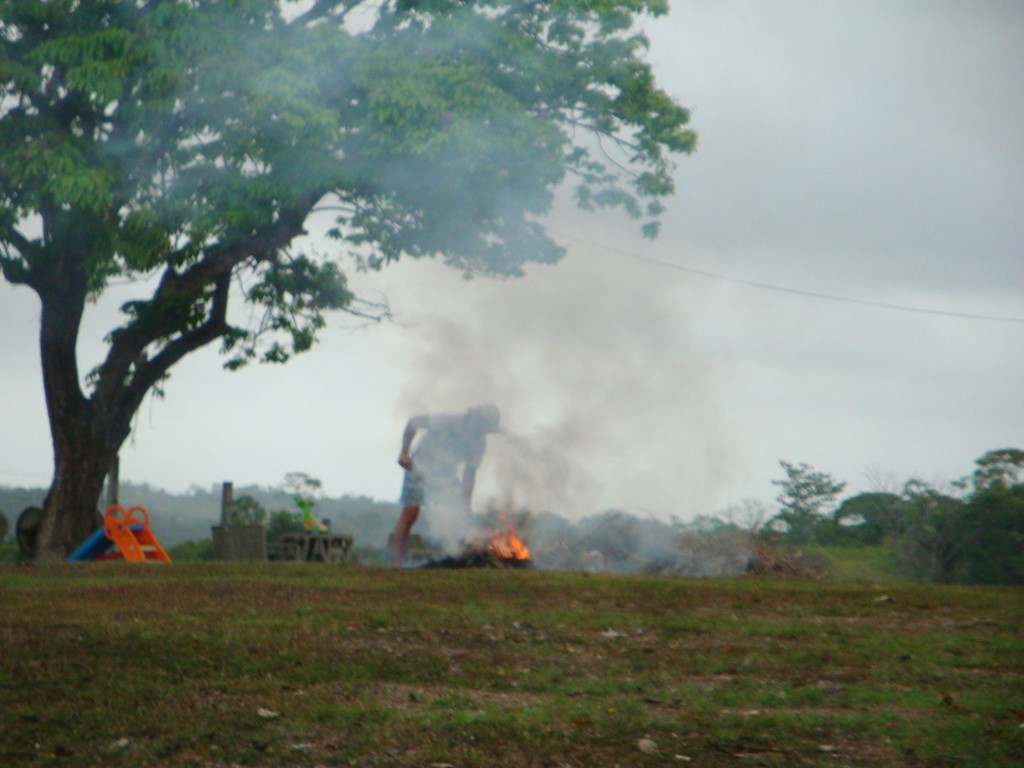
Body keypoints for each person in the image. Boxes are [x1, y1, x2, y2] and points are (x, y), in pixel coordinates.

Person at [391, 404, 501, 567]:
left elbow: (469, 474)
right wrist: (404, 453)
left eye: (485, 429)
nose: (481, 431)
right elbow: (413, 422)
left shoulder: (479, 443)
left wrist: (466, 503)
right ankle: (396, 563)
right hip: (420, 466)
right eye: (481, 426)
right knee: (410, 514)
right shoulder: (448, 419)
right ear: (473, 419)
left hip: (446, 474)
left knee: (457, 514)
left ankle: (457, 557)